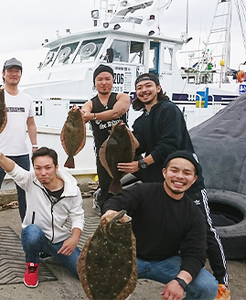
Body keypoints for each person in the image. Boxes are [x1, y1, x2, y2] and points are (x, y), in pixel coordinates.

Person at [118, 73, 230, 300]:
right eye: (139, 87)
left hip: (187, 182)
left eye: (148, 85)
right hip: (160, 183)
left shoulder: (169, 110)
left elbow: (168, 144)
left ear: (158, 88)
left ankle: (221, 282)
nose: (144, 90)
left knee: (206, 231)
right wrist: (123, 134)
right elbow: (138, 146)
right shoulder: (140, 120)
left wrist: (140, 163)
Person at [103, 151, 219, 300]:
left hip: (166, 261)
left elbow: (196, 253)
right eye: (174, 170)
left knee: (208, 287)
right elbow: (116, 202)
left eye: (187, 173)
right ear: (164, 172)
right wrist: (110, 213)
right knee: (102, 281)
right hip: (127, 256)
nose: (180, 176)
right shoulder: (143, 191)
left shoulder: (194, 214)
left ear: (194, 179)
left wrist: (180, 282)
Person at [0, 147, 84, 288]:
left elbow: (78, 215)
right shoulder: (30, 180)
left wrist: (74, 238)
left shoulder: (72, 190)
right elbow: (14, 170)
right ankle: (32, 263)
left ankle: (54, 254)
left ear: (56, 167)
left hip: (59, 240)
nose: (42, 173)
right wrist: (0, 157)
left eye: (48, 168)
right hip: (36, 235)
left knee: (84, 273)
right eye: (38, 168)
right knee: (32, 233)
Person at [0, 57, 38, 244]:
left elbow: (31, 123)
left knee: (26, 192)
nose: (13, 74)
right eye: (10, 70)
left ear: (20, 75)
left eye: (17, 71)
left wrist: (34, 146)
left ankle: (27, 226)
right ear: (3, 74)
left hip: (21, 153)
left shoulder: (27, 98)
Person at [81, 64, 131, 213]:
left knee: (141, 172)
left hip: (125, 147)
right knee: (105, 185)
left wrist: (94, 116)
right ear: (94, 83)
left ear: (113, 80)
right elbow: (84, 114)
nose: (104, 82)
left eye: (107, 78)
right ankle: (107, 211)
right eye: (99, 79)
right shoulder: (90, 103)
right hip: (104, 152)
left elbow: (117, 112)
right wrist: (78, 114)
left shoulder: (121, 97)